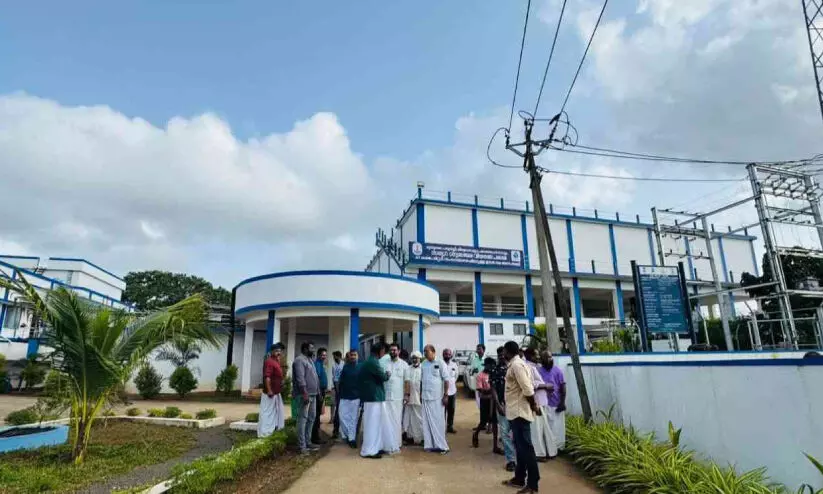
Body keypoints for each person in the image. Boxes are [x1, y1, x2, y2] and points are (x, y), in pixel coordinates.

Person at [502, 341, 541, 493]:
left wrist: (534, 405)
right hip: (515, 412)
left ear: (508, 351)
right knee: (520, 448)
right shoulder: (515, 364)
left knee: (526, 449)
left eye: (504, 351)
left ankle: (533, 484)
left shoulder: (517, 366)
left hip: (520, 413)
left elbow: (527, 389)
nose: (503, 354)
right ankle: (519, 478)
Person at [358, 342, 396, 459]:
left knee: (376, 424)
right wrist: (387, 374)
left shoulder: (370, 361)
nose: (384, 353)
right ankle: (369, 450)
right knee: (372, 424)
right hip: (373, 397)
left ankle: (376, 447)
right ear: (380, 350)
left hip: (372, 397)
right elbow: (383, 377)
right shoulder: (373, 362)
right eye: (384, 351)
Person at [524, 348, 556, 461]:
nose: (538, 357)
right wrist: (546, 386)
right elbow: (529, 385)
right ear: (530, 356)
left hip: (542, 402)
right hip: (537, 402)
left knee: (543, 429)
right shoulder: (527, 367)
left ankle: (547, 452)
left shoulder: (534, 367)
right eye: (536, 355)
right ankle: (538, 454)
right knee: (537, 430)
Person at [421, 344, 450, 454]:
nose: (425, 353)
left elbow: (446, 380)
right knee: (426, 423)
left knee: (438, 422)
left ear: (433, 352)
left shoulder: (440, 363)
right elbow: (421, 380)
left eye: (427, 351)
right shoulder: (423, 364)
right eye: (424, 351)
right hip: (425, 397)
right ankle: (429, 445)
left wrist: (446, 395)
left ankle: (442, 446)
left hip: (437, 398)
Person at [292, 341, 320, 454]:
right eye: (311, 348)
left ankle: (308, 442)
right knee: (302, 419)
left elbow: (315, 377)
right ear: (305, 349)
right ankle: (302, 446)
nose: (313, 350)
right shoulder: (299, 360)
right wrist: (304, 393)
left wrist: (318, 392)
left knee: (311, 418)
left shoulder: (310, 360)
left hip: (313, 394)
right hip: (304, 394)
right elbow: (300, 378)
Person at [491, 346, 516, 472]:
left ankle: (520, 458)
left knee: (516, 433)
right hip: (502, 405)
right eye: (499, 355)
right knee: (505, 433)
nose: (501, 357)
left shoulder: (514, 368)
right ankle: (511, 460)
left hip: (516, 405)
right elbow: (493, 389)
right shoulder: (495, 370)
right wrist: (498, 405)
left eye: (503, 354)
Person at [540, 350, 567, 452]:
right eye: (546, 357)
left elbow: (563, 387)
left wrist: (562, 402)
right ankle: (549, 449)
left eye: (550, 357)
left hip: (557, 404)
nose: (549, 359)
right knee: (547, 429)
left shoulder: (558, 371)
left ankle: (559, 448)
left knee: (558, 429)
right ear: (542, 359)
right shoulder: (539, 371)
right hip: (544, 405)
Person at [384, 342, 409, 449]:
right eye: (391, 350)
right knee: (387, 420)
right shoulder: (385, 363)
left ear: (399, 351)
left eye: (394, 350)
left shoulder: (404, 364)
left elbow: (407, 381)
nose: (392, 352)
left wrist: (406, 395)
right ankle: (387, 443)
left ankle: (397, 443)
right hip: (386, 397)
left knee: (397, 420)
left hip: (398, 398)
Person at [258, 343, 285, 438]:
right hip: (270, 394)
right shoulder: (269, 362)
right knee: (267, 414)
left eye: (280, 351)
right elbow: (267, 377)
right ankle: (264, 434)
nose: (279, 353)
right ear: (272, 351)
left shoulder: (276, 361)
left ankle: (272, 431)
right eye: (277, 351)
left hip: (276, 393)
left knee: (276, 413)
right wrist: (269, 390)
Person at [471, 357, 498, 449]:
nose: (492, 368)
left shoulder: (494, 374)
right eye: (490, 366)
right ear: (486, 365)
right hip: (485, 400)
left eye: (493, 366)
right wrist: (492, 390)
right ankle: (476, 434)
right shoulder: (480, 376)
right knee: (483, 421)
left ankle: (495, 445)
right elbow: (480, 390)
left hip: (493, 400)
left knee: (494, 421)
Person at [337, 350, 361, 448]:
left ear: (357, 356)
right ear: (349, 356)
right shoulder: (345, 367)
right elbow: (341, 381)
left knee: (353, 419)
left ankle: (352, 439)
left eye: (355, 355)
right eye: (351, 355)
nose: (353, 357)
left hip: (356, 397)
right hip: (344, 396)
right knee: (342, 416)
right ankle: (348, 434)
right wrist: (339, 394)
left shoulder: (360, 367)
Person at [403, 351, 424, 445]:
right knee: (410, 418)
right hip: (410, 397)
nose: (415, 360)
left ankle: (422, 438)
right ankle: (410, 438)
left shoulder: (423, 369)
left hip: (420, 397)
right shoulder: (408, 369)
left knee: (420, 419)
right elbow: (406, 382)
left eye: (416, 358)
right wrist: (406, 395)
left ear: (420, 359)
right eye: (413, 358)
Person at [311, 347, 330, 444]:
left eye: (325, 355)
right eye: (322, 355)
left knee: (318, 414)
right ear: (318, 355)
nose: (324, 357)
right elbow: (317, 379)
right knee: (316, 415)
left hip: (322, 391)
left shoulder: (321, 364)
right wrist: (319, 393)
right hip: (319, 392)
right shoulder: (317, 364)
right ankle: (315, 438)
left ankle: (316, 436)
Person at [442, 348, 459, 434]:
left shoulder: (454, 365)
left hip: (452, 391)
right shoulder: (440, 364)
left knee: (451, 410)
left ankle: (450, 427)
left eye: (449, 354)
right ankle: (442, 427)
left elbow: (456, 376)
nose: (447, 356)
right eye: (445, 354)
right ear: (443, 355)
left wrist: (451, 383)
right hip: (442, 392)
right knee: (442, 411)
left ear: (451, 355)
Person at [331, 350, 344, 437]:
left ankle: (341, 430)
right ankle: (336, 430)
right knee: (337, 408)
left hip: (343, 388)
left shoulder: (343, 364)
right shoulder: (334, 365)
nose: (334, 358)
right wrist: (337, 390)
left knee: (342, 410)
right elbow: (335, 378)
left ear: (338, 356)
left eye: (334, 356)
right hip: (337, 388)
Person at [468, 344, 486, 408]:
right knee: (478, 402)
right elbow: (470, 372)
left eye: (479, 349)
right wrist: (473, 371)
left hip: (486, 385)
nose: (478, 351)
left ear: (484, 350)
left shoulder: (486, 359)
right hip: (477, 384)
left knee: (486, 401)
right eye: (477, 349)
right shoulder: (474, 360)